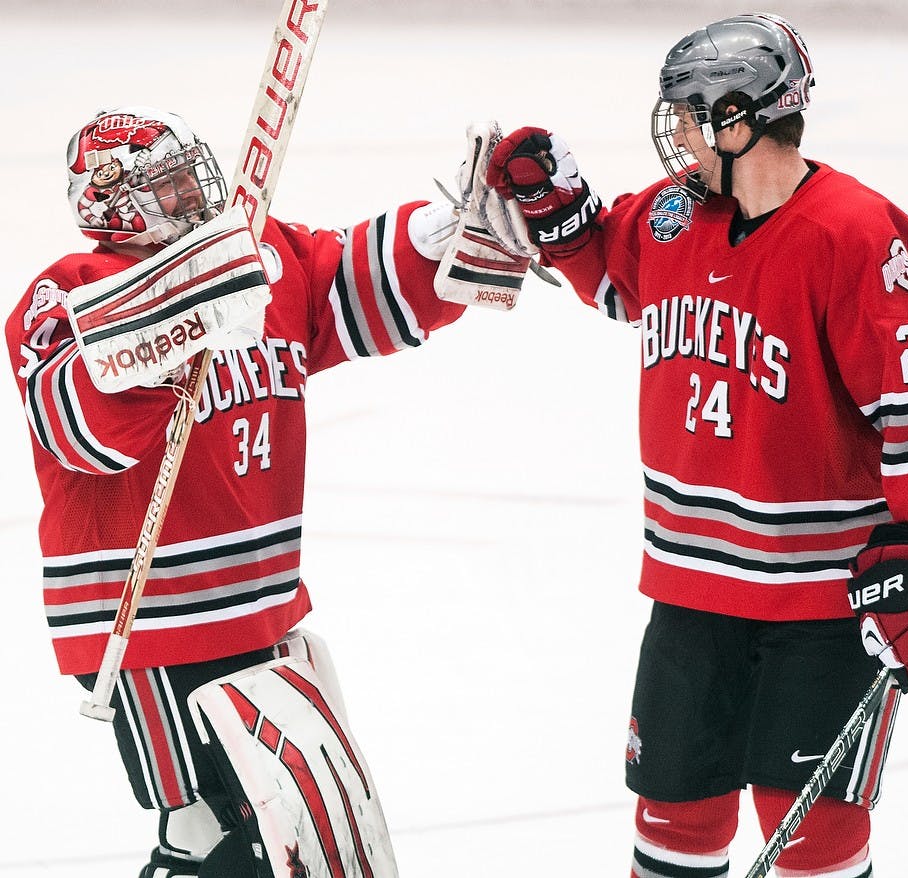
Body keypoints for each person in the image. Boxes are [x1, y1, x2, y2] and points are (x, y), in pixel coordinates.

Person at [484, 12, 908, 878]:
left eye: (688, 113)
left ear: (739, 116)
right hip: (690, 593)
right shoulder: (677, 213)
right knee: (674, 819)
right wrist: (561, 218)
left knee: (812, 835)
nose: (675, 132)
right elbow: (615, 275)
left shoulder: (852, 235)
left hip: (821, 605)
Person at [4, 105, 521, 878]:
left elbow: (347, 284)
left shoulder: (257, 252)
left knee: (294, 838)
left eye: (186, 175)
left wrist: (437, 237)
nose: (191, 193)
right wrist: (172, 314)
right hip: (146, 617)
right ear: (112, 201)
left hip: (259, 603)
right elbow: (81, 429)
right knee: (212, 836)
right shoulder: (68, 291)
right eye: (167, 185)